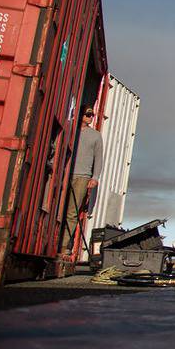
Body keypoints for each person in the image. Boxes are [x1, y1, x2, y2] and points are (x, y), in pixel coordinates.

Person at [61, 105, 104, 253]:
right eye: (87, 114)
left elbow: (99, 159)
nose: (90, 117)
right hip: (64, 174)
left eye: (91, 115)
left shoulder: (96, 135)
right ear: (79, 114)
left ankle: (64, 245)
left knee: (72, 213)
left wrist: (95, 178)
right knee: (59, 209)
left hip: (82, 177)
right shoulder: (70, 130)